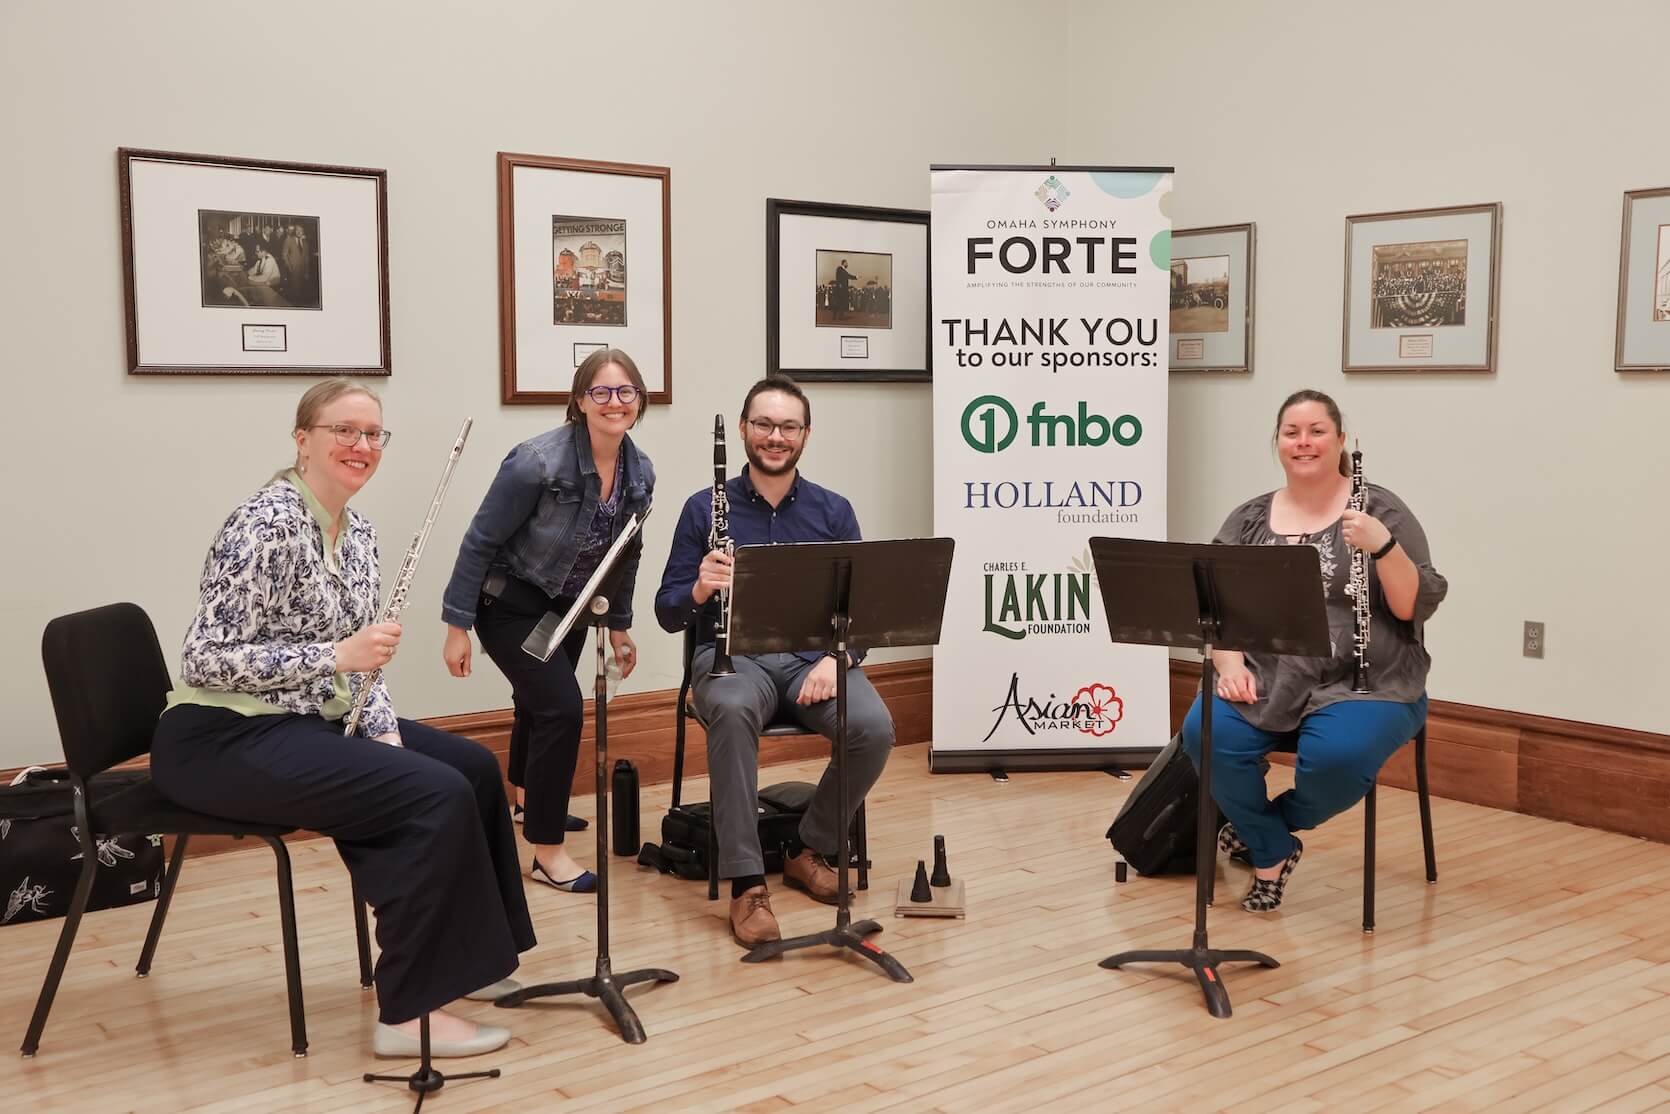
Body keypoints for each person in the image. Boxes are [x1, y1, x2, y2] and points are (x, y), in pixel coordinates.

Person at [150, 379, 534, 1059]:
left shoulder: (359, 535)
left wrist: (382, 731)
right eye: (344, 431)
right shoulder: (261, 523)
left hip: (309, 721)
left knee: (471, 769)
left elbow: (364, 667)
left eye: (373, 434)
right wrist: (334, 654)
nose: (361, 446)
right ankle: (409, 1015)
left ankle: (472, 964)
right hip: (220, 735)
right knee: (429, 793)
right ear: (304, 440)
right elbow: (205, 658)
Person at [1181, 388, 1446, 913]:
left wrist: (1383, 545)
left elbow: (1413, 602)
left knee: (1338, 758)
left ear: (1340, 440)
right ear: (1278, 442)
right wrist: (1229, 662)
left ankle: (1269, 830)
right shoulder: (1251, 518)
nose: (1304, 443)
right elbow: (1214, 605)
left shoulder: (1381, 509)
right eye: (1292, 433)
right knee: (1206, 733)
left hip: (1368, 679)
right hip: (1268, 672)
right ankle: (1273, 850)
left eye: (1317, 432)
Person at [655, 375, 896, 948]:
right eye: (763, 424)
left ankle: (807, 847)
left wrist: (837, 660)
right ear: (743, 429)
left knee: (874, 728)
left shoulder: (834, 512)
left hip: (815, 659)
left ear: (806, 435)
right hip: (731, 656)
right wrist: (698, 587)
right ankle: (746, 883)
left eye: (788, 427)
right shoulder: (701, 508)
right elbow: (666, 612)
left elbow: (859, 614)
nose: (775, 437)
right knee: (734, 713)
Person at [441, 348, 654, 894]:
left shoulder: (640, 471)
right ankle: (547, 851)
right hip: (509, 602)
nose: (614, 402)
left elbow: (624, 553)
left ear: (639, 401)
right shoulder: (535, 462)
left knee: (537, 705)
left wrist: (620, 623)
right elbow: (481, 541)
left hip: (572, 608)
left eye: (625, 391)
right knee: (560, 708)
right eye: (600, 392)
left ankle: (526, 801)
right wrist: (457, 625)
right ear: (580, 401)